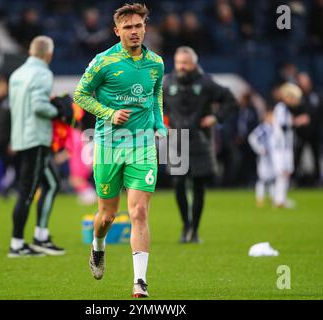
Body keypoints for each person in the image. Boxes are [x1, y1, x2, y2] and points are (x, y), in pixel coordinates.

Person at [74, 3, 167, 298]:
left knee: (138, 212)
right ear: (117, 31)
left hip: (142, 146)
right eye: (127, 27)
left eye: (138, 26)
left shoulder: (157, 63)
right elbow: (80, 94)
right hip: (109, 146)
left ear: (145, 28)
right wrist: (108, 113)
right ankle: (97, 247)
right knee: (107, 217)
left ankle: (140, 283)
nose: (134, 31)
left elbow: (155, 95)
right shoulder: (103, 62)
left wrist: (159, 124)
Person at [163, 46, 237, 243]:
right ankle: (185, 225)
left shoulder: (207, 83)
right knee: (178, 184)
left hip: (200, 141)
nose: (182, 67)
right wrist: (160, 123)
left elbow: (230, 100)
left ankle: (194, 230)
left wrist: (216, 117)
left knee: (198, 186)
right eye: (179, 63)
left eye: (185, 63)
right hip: (177, 141)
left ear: (194, 64)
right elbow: (154, 106)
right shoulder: (166, 83)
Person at [8, 36, 71, 257]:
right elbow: (38, 106)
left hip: (22, 136)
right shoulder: (43, 72)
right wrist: (59, 111)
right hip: (36, 138)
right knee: (27, 191)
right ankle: (17, 244)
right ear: (49, 54)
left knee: (51, 183)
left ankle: (41, 237)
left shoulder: (17, 73)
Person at [272, 83, 309, 208]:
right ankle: (279, 199)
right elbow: (283, 125)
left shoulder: (286, 109)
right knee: (282, 173)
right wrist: (298, 121)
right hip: (280, 147)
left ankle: (281, 199)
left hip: (285, 146)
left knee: (286, 173)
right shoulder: (281, 107)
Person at [248, 108, 276, 207]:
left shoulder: (275, 128)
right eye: (272, 117)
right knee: (262, 179)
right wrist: (260, 149)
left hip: (274, 158)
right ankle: (260, 198)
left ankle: (274, 198)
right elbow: (252, 138)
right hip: (264, 158)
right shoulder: (263, 128)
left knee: (273, 178)